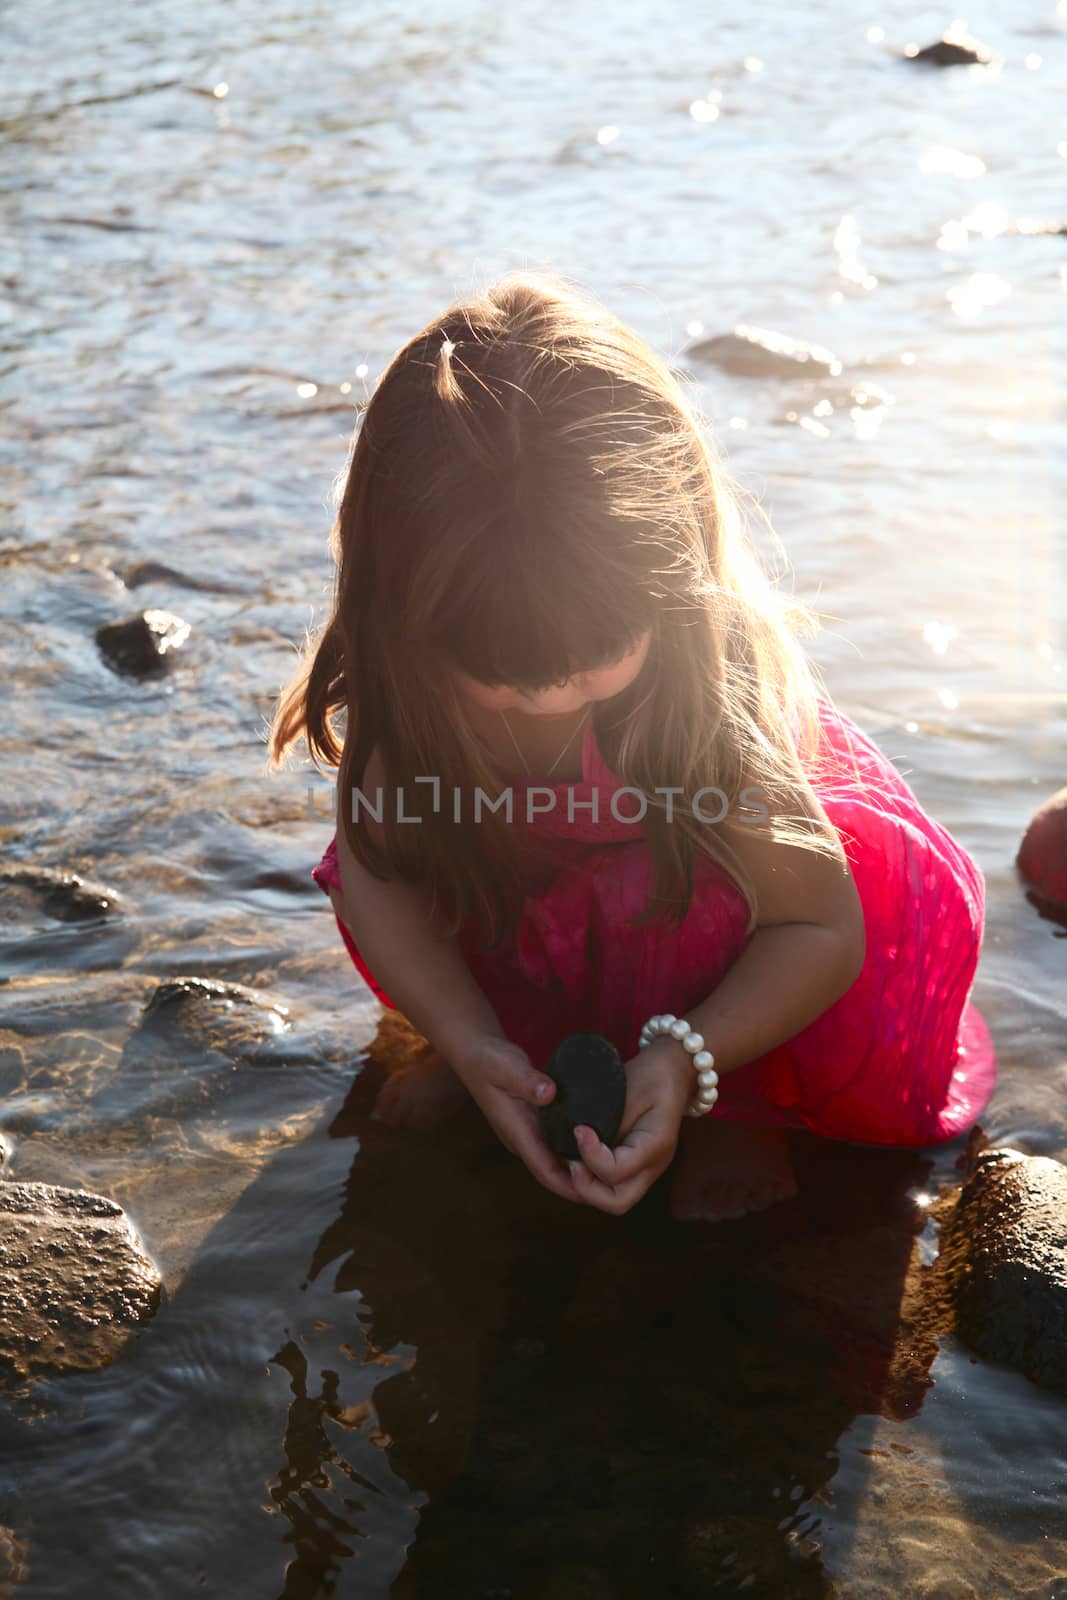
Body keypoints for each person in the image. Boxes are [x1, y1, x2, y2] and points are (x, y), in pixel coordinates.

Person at [266, 269, 997, 1223]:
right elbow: (380, 879)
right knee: (434, 861)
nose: (546, 694)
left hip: (718, 934)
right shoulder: (412, 683)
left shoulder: (704, 708)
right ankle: (499, 1057)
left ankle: (737, 1093)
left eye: (590, 658)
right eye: (498, 670)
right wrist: (468, 1039)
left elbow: (818, 929)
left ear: (675, 571)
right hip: (533, 923)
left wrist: (682, 1060)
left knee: (723, 941)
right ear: (396, 610)